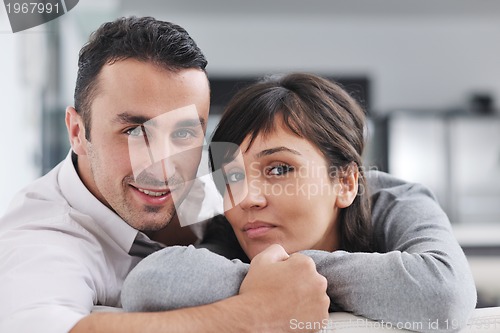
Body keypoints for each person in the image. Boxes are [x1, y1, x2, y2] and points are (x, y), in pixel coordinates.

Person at [0, 17, 330, 333]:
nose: (161, 167)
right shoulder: (47, 234)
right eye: (134, 131)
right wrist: (256, 316)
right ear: (77, 131)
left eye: (184, 134)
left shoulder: (210, 179)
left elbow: (334, 182)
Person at [121, 73, 477, 332]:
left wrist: (288, 278)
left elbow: (443, 297)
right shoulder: (227, 215)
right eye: (231, 176)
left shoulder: (396, 199)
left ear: (346, 181)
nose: (247, 199)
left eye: (279, 169)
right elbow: (148, 285)